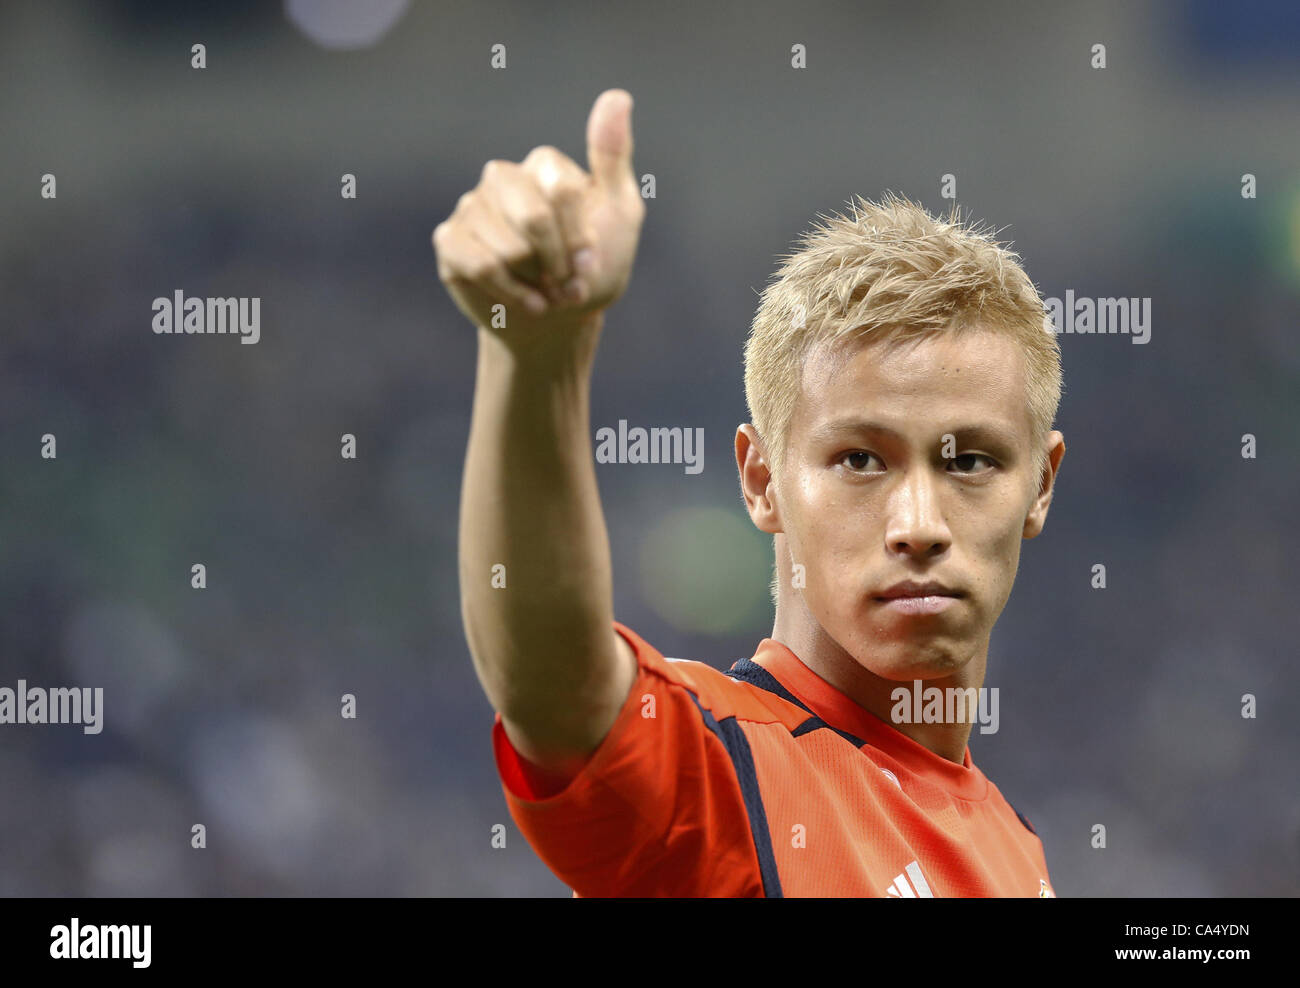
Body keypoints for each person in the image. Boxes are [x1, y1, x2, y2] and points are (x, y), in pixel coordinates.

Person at [434, 88, 1066, 897]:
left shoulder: (1016, 848)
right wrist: (534, 350)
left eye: (970, 462)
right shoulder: (725, 776)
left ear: (1041, 485)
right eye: (859, 461)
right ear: (762, 481)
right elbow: (553, 684)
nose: (919, 525)